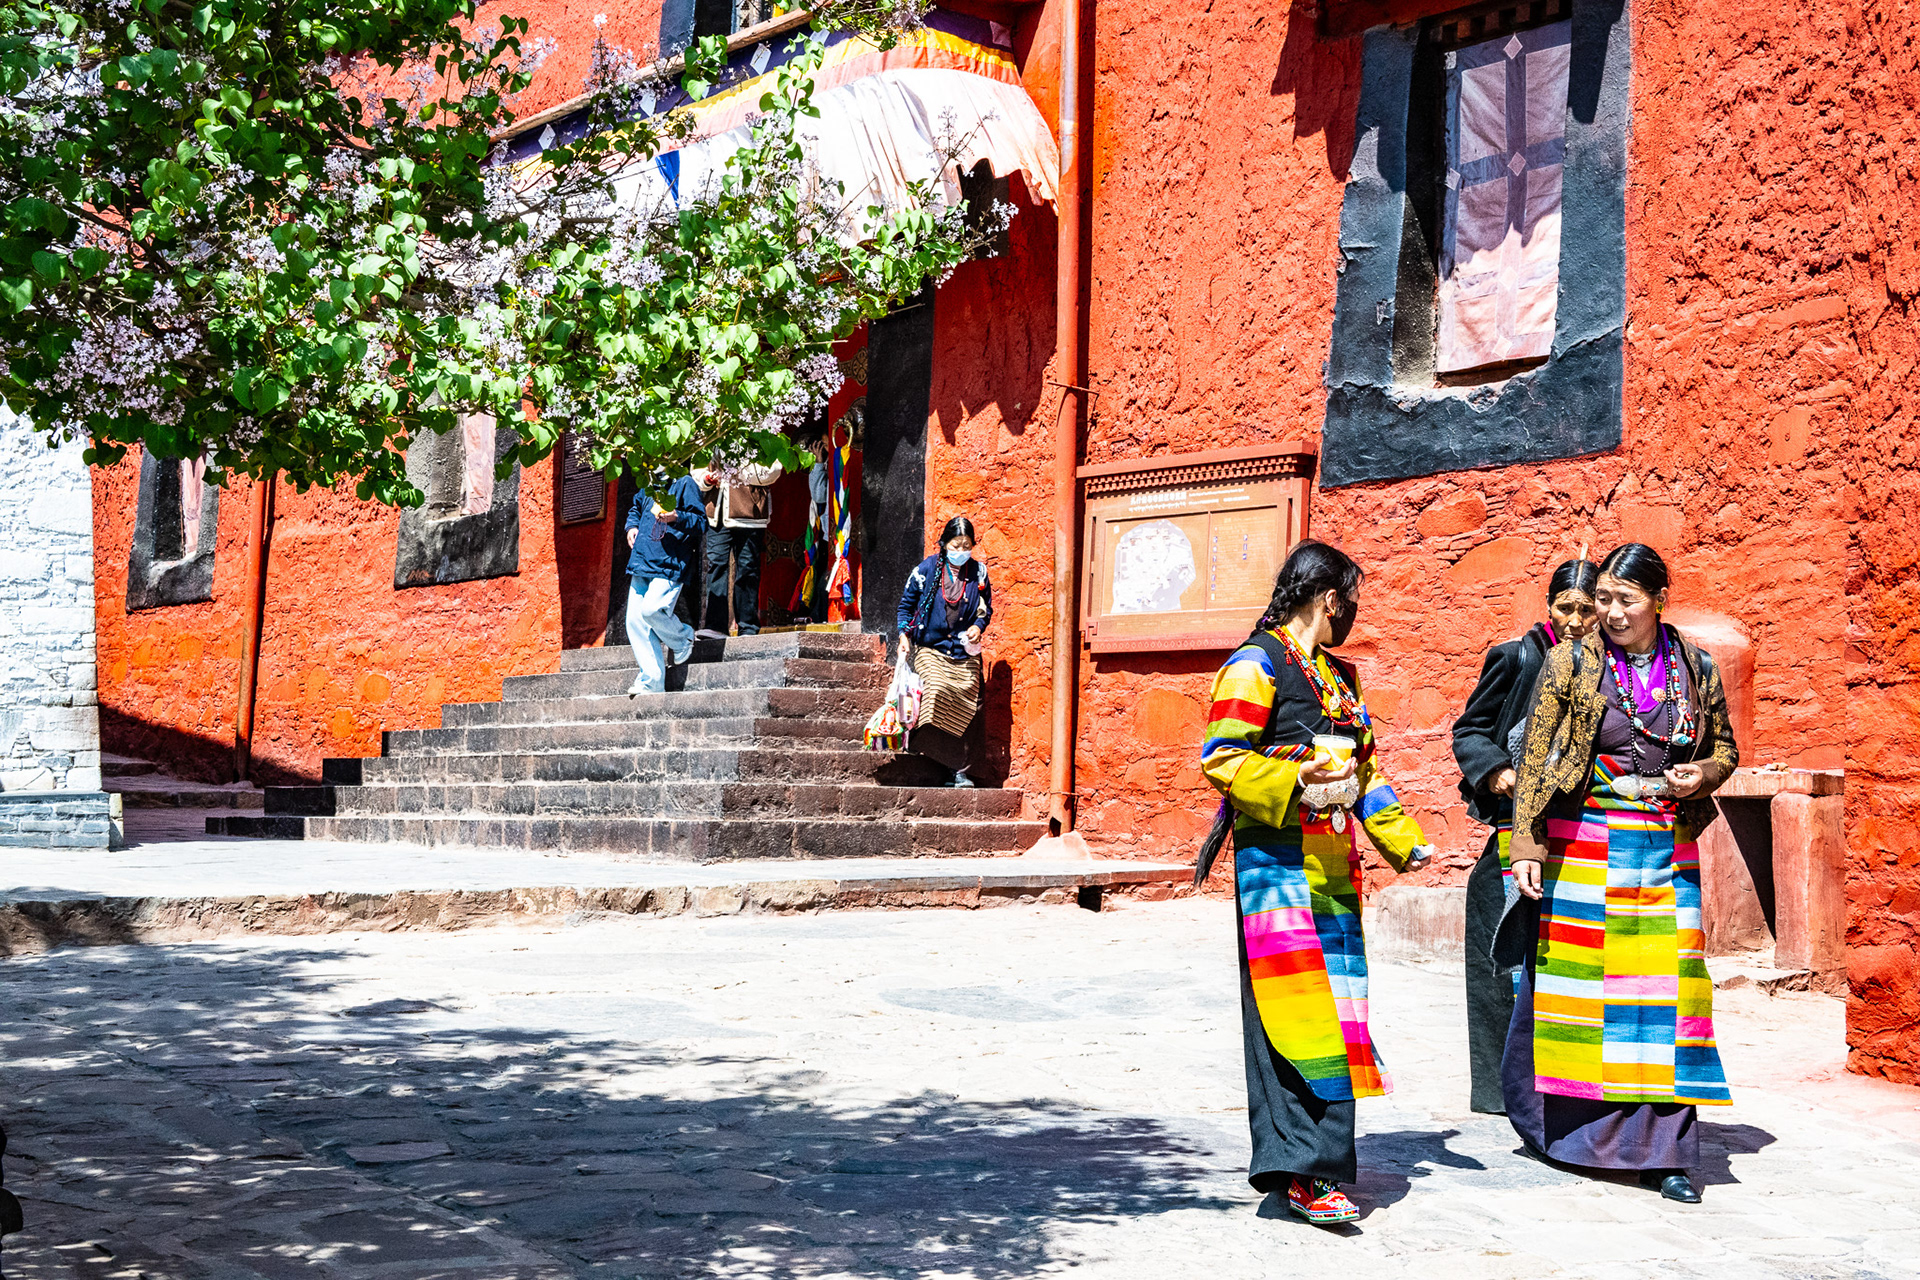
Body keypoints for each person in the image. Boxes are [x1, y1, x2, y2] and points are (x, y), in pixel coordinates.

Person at [1198, 539, 1435, 1227]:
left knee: (1338, 1011)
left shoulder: (1340, 679)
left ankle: (1315, 1165)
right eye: (1351, 600)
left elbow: (1366, 772)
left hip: (1332, 869)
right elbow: (1221, 758)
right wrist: (1293, 775)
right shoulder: (1254, 665)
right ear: (1331, 599)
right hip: (1275, 866)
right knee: (1290, 1013)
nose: (1352, 612)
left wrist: (1402, 840)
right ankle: (1301, 1170)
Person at [1503, 543, 1739, 1203]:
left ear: (1659, 599)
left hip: (1666, 846)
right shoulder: (1572, 662)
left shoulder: (1695, 667)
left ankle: (1665, 1151)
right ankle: (1573, 1134)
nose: (1609, 612)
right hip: (1585, 843)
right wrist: (1527, 844)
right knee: (1583, 992)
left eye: (1624, 600)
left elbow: (1725, 748)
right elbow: (1538, 753)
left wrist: (1703, 773)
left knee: (1669, 993)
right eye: (1603, 598)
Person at [1451, 557, 1599, 1115]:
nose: (1576, 620)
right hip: (1515, 827)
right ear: (1549, 606)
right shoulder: (1517, 657)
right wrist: (1496, 770)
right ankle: (1498, 1089)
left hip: (1580, 830)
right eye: (1566, 607)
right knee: (1498, 953)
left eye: (1587, 609)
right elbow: (1470, 729)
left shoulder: (1605, 667)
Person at [896, 516, 992, 787]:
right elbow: (905, 607)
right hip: (931, 647)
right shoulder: (926, 570)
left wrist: (977, 627)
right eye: (956, 545)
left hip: (963, 650)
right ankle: (926, 747)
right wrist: (903, 635)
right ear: (944, 544)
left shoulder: (979, 573)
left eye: (967, 546)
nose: (961, 551)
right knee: (937, 690)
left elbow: (986, 608)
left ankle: (960, 770)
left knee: (971, 701)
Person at [623, 466, 709, 695]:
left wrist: (676, 517)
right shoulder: (649, 482)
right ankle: (651, 681)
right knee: (635, 622)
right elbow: (636, 507)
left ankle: (682, 638)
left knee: (652, 609)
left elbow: (701, 522)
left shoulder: (685, 482)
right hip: (642, 559)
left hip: (670, 561)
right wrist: (631, 526)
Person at [698, 456, 783, 638]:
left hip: (749, 513)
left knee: (747, 568)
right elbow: (697, 467)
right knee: (716, 564)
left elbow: (774, 470)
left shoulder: (761, 438)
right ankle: (715, 625)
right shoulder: (710, 439)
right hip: (717, 514)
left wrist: (738, 471)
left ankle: (748, 626)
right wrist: (705, 478)